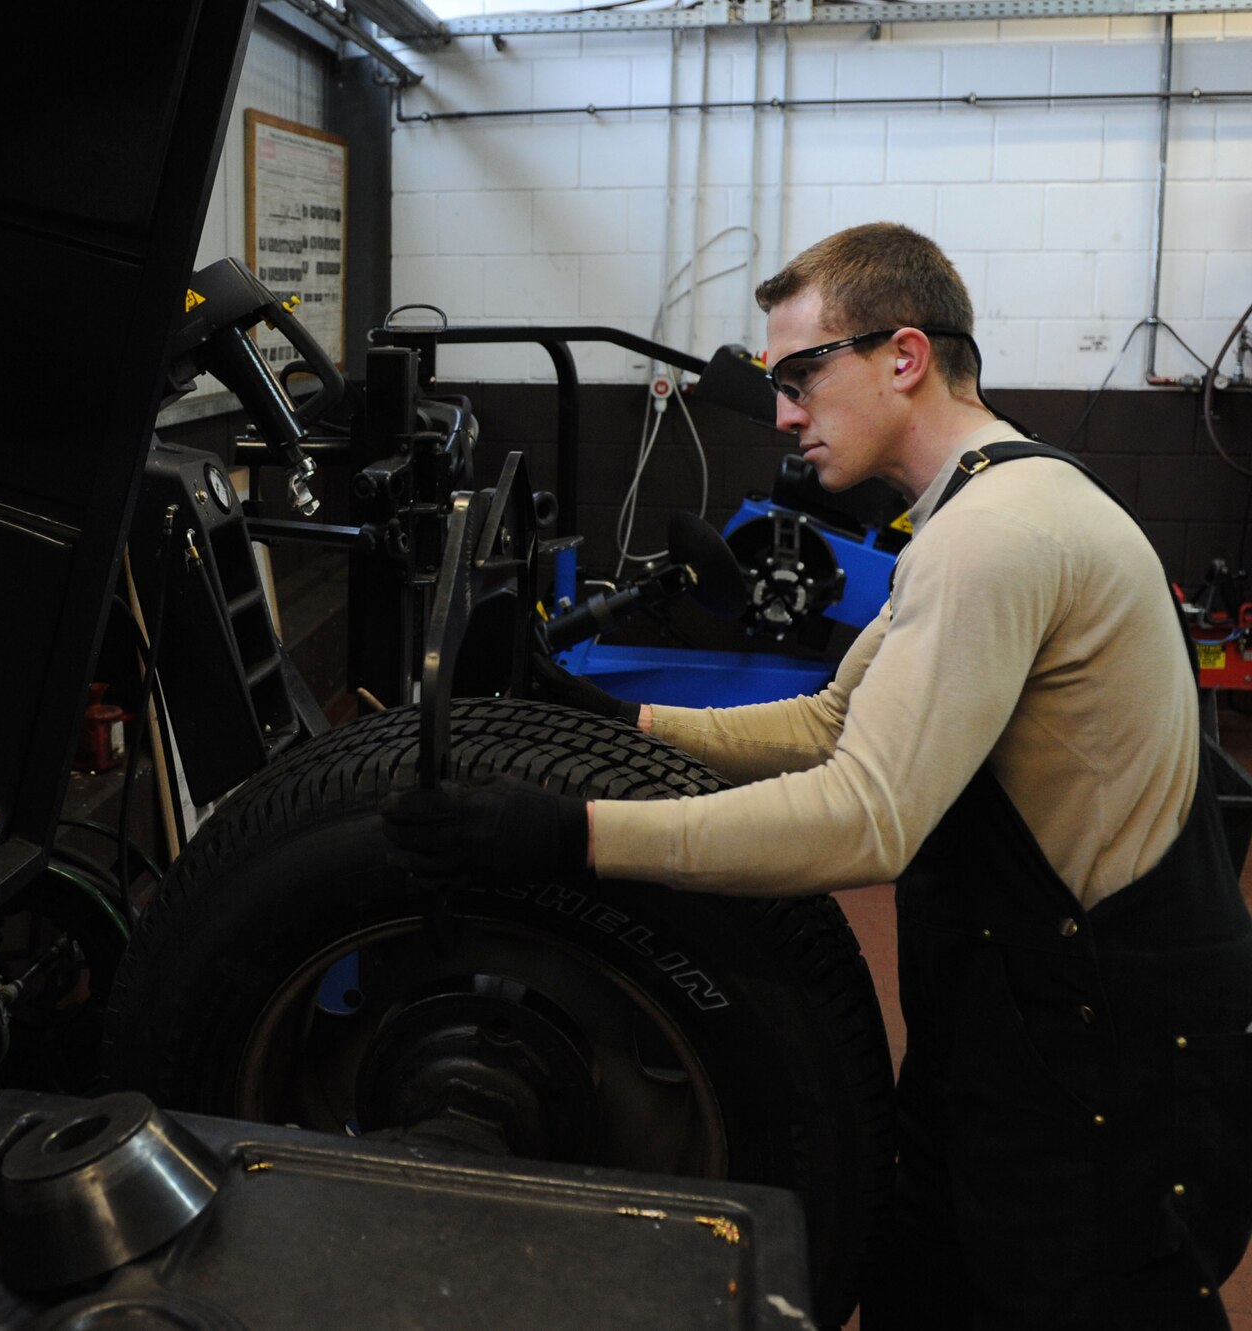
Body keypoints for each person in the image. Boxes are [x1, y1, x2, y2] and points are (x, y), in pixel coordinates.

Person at [384, 222, 1252, 1330]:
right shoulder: (960, 513)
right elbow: (829, 720)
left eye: (800, 374)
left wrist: (570, 832)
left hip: (1102, 1070)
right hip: (1006, 1035)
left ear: (902, 356)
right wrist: (613, 721)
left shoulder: (1003, 531)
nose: (783, 412)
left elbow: (864, 816)